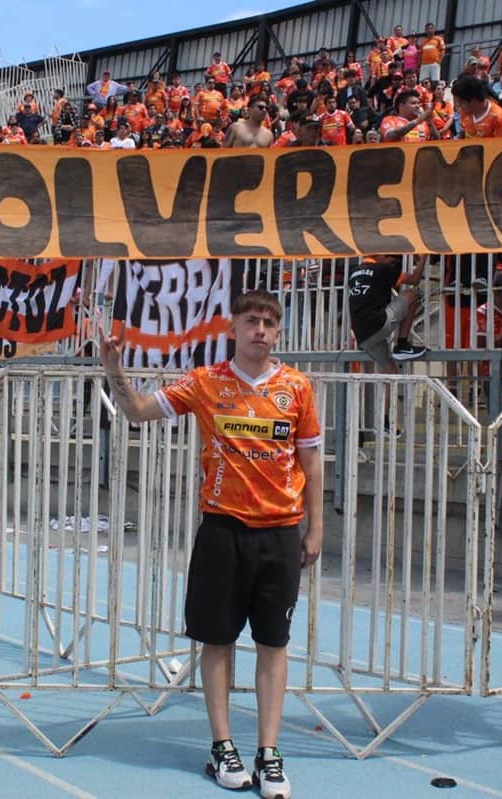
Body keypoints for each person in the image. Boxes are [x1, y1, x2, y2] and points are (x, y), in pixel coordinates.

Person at [100, 290, 322, 799]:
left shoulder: (297, 386)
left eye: (269, 322)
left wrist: (316, 530)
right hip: (222, 530)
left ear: (279, 331)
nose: (260, 330)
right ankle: (222, 746)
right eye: (251, 321)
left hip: (281, 533)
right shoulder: (205, 383)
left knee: (274, 643)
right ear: (233, 328)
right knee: (217, 640)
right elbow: (135, 411)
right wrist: (114, 369)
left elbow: (310, 463)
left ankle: (269, 753)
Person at [348, 254, 428, 373]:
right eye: (389, 257)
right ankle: (402, 345)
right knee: (412, 294)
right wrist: (424, 257)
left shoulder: (353, 272)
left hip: (362, 335)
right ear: (378, 255)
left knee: (388, 368)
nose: (393, 262)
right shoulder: (382, 269)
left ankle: (389, 392)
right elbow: (415, 280)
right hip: (377, 324)